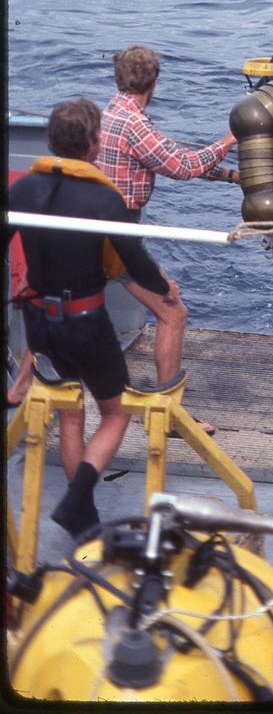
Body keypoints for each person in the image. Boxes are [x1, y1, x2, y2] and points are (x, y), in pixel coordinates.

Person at [7, 98, 175, 537]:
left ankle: (82, 517)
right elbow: (135, 262)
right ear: (95, 142)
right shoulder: (104, 197)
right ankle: (78, 498)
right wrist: (164, 289)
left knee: (70, 413)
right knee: (116, 413)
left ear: (50, 140)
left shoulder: (22, 189)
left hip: (40, 326)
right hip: (86, 327)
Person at [96, 44, 237, 433]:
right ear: (154, 82)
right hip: (118, 238)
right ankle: (167, 418)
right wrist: (230, 140)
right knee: (173, 312)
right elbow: (182, 166)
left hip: (106, 232)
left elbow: (166, 155)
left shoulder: (114, 112)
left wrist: (232, 177)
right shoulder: (135, 124)